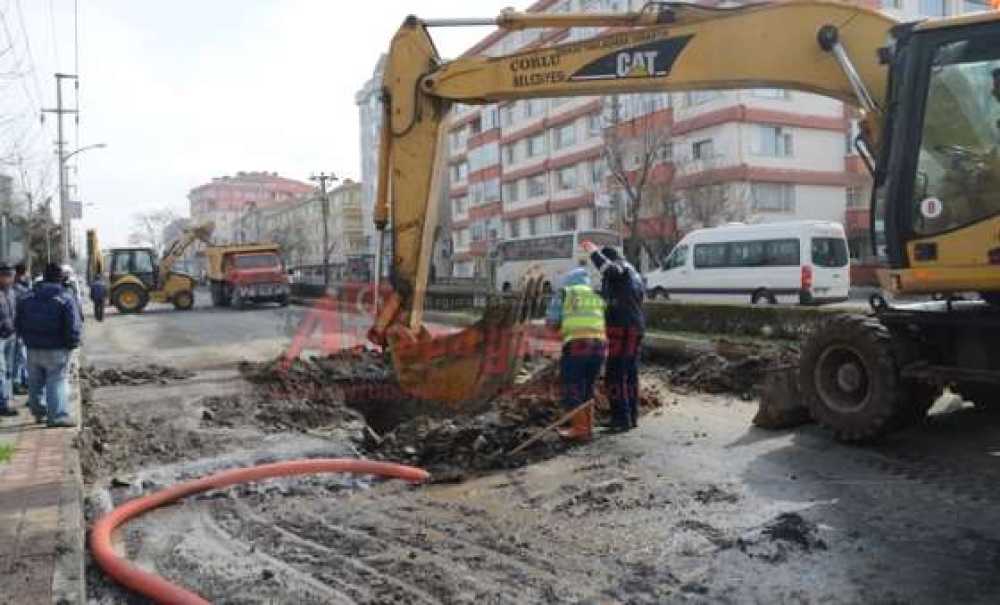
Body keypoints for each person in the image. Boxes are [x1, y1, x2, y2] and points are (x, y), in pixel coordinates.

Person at [582, 242, 646, 432]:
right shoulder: (634, 274)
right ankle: (631, 417)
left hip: (623, 329)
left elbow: (611, 272)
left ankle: (620, 419)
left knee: (614, 376)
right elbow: (623, 297)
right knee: (630, 375)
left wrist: (594, 253)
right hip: (635, 328)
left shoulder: (620, 269)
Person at [16, 263, 82, 428]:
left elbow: (18, 321)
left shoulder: (26, 296)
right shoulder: (65, 297)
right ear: (60, 278)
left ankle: (38, 411)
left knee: (35, 381)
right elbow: (73, 324)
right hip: (57, 347)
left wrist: (25, 338)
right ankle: (57, 416)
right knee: (57, 380)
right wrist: (73, 342)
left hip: (32, 347)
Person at [545, 266, 607, 442]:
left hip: (578, 344)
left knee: (572, 386)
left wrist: (555, 332)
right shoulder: (595, 296)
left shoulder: (565, 293)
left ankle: (579, 428)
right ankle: (588, 427)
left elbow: (552, 322)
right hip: (600, 345)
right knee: (588, 386)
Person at [0, 262, 17, 417]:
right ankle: (3, 404)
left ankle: (7, 400)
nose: (11, 280)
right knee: (1, 371)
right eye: (9, 276)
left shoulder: (11, 292)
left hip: (11, 336)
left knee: (9, 371)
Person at [11, 262, 30, 396]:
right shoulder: (20, 289)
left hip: (16, 328)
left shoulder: (15, 288)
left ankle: (22, 381)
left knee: (21, 357)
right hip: (18, 329)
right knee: (20, 357)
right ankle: (18, 383)